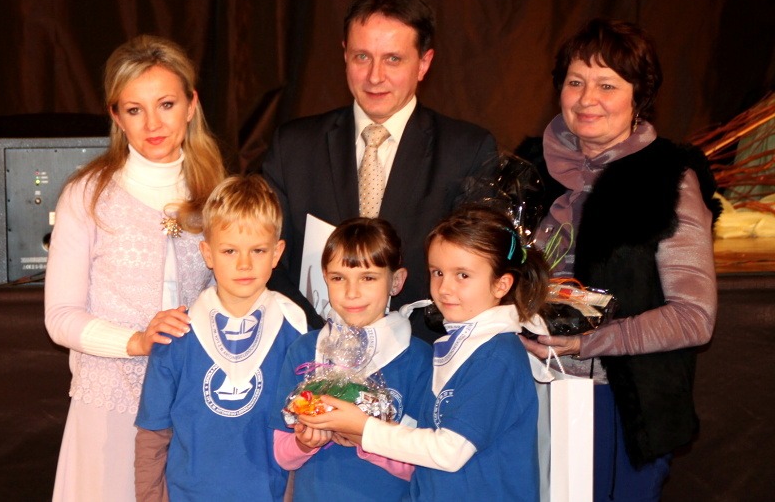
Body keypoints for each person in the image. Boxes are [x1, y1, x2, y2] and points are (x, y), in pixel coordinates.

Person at [515, 19, 721, 501]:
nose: (587, 99)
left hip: (619, 407)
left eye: (607, 85)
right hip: (524, 393)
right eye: (576, 82)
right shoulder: (527, 169)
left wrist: (585, 343)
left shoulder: (669, 179)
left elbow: (694, 317)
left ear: (638, 96)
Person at [262, 0, 498, 342]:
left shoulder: (467, 151)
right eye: (362, 57)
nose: (375, 76)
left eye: (393, 59)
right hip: (312, 353)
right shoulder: (293, 147)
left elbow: (474, 275)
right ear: (345, 54)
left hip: (423, 357)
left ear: (424, 63)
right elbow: (266, 260)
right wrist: (318, 342)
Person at [44, 35, 225, 501]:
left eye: (166, 104)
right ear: (116, 116)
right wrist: (137, 342)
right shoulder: (86, 195)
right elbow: (60, 318)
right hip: (109, 406)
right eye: (134, 109)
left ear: (191, 105)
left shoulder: (218, 195)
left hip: (193, 404)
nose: (153, 124)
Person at [299, 205, 548, 501]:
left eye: (463, 275)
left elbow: (449, 451)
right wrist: (357, 431)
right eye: (437, 272)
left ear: (501, 284)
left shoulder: (496, 356)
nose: (445, 288)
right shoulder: (463, 345)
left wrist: (364, 427)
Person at [134, 175, 307, 500]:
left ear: (277, 252)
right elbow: (152, 435)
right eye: (229, 250)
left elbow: (302, 433)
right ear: (207, 253)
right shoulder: (176, 335)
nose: (244, 264)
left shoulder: (296, 334)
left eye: (258, 250)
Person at [269, 217, 432, 501]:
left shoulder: (418, 359)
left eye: (368, 278)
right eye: (338, 278)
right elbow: (282, 455)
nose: (351, 292)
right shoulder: (305, 351)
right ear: (325, 278)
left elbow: (424, 463)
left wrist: (365, 436)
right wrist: (304, 444)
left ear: (396, 281)